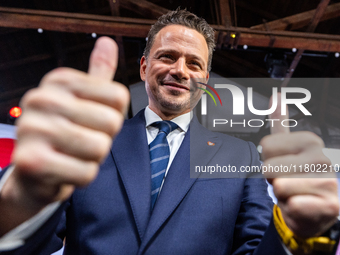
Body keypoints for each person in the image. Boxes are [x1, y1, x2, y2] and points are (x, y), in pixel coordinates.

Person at [0, 9, 339, 255]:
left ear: (205, 79)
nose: (180, 70)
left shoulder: (241, 156)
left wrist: (297, 235)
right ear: (145, 66)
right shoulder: (91, 141)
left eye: (194, 63)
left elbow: (253, 250)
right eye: (168, 57)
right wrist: (17, 201)